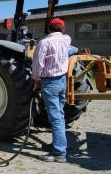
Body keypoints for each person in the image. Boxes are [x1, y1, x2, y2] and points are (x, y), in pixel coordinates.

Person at [32, 17, 71, 163]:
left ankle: (59, 153)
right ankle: (58, 144)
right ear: (62, 29)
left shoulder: (44, 43)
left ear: (48, 28)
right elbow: (70, 48)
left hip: (50, 83)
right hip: (62, 81)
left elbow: (37, 65)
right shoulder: (66, 39)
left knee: (55, 118)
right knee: (59, 115)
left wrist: (35, 80)